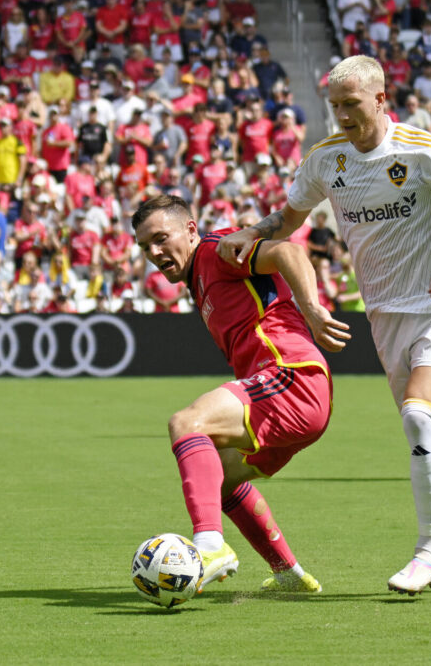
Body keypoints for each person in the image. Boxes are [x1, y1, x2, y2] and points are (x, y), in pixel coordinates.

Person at [217, 56, 431, 596]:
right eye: (335, 106)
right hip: (385, 317)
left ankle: (427, 554)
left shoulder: (426, 151)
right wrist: (251, 230)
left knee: (418, 415)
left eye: (352, 104)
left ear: (380, 99)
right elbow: (289, 220)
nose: (343, 115)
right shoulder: (326, 161)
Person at [132, 193, 350, 594]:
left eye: (161, 238)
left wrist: (314, 310)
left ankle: (210, 547)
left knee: (186, 423)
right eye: (145, 245)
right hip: (291, 395)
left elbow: (289, 253)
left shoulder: (217, 251)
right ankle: (288, 574)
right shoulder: (198, 279)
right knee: (219, 480)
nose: (154, 251)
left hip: (292, 376)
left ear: (191, 230)